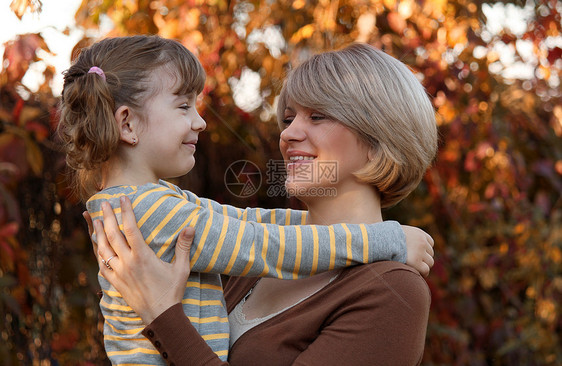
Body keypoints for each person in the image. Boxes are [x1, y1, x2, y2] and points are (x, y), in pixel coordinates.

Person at [58, 35, 434, 365]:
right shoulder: (241, 264)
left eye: (318, 116)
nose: (289, 135)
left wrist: (162, 314)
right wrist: (390, 238)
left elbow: (255, 227)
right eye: (288, 119)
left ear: (379, 142)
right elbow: (258, 232)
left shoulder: (392, 292)